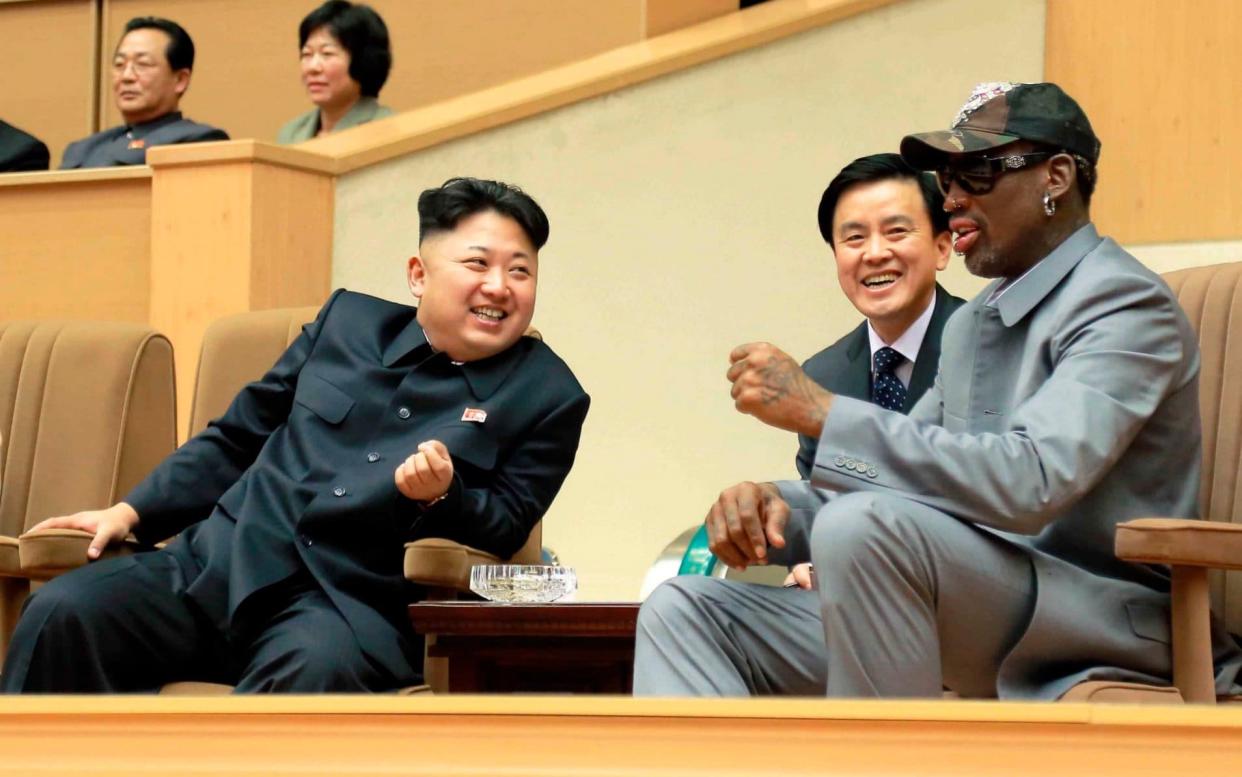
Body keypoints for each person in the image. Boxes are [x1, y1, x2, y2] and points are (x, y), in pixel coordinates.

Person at [634, 82, 1242, 699]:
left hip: (1100, 617)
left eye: (975, 172)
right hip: (966, 598)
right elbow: (906, 474)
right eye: (947, 178)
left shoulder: (1122, 302)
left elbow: (1033, 481)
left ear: (1056, 177)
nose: (951, 197)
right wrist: (779, 510)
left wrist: (823, 411)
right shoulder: (976, 322)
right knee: (684, 610)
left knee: (863, 527)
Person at [2, 177, 590, 693]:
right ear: (418, 274)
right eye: (478, 264)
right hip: (217, 566)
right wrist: (131, 512)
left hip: (342, 606)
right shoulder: (347, 323)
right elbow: (237, 436)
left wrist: (443, 497)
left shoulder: (549, 396)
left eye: (520, 270)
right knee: (64, 611)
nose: (499, 286)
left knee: (309, 674)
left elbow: (510, 522)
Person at [795, 153, 964, 479]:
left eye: (896, 231)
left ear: (942, 249)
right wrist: (771, 496)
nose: (874, 254)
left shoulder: (991, 347)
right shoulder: (822, 376)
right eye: (855, 238)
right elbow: (819, 499)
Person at [60, 17, 227, 169]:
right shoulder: (83, 148)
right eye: (119, 64)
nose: (126, 76)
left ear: (180, 80)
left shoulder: (199, 140)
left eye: (142, 64)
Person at [277, 1, 393, 144]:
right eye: (307, 54)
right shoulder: (292, 133)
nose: (312, 67)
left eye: (327, 54)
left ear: (364, 61)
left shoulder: (388, 129)